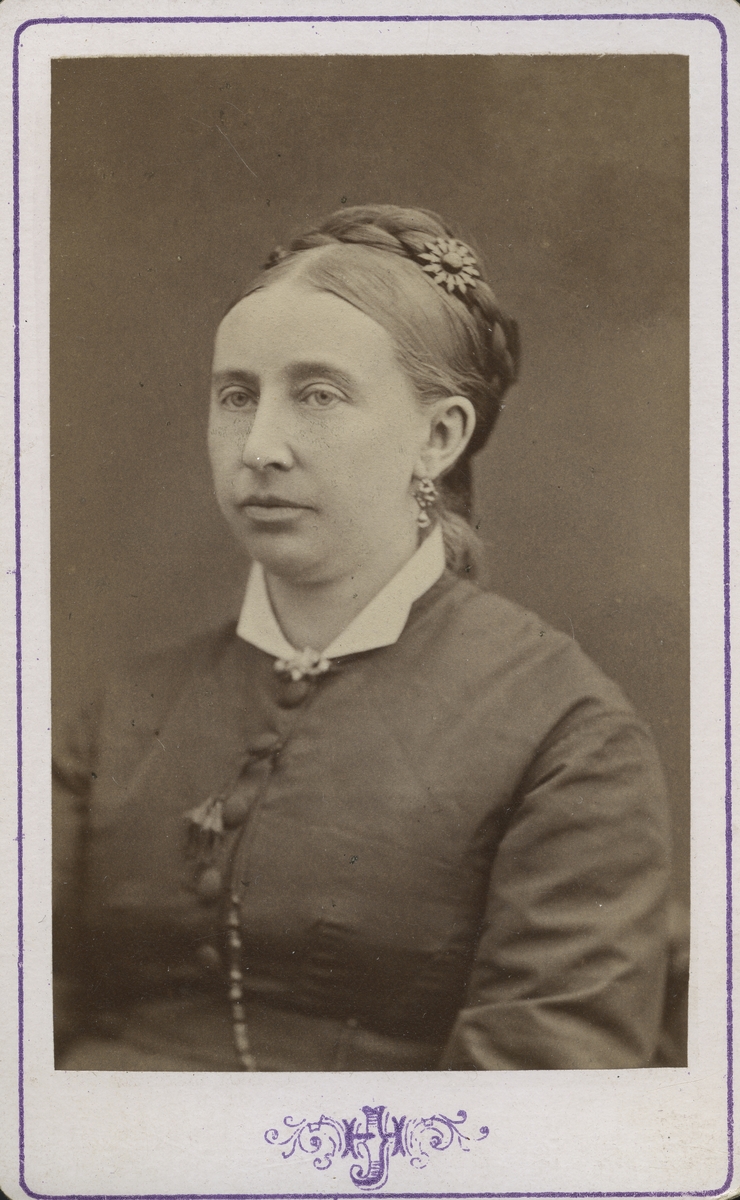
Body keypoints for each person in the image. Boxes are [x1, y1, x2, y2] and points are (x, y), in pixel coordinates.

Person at [53, 204, 674, 1072]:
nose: (260, 446)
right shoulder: (121, 715)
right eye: (237, 396)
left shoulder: (567, 735)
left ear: (439, 437)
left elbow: (538, 1097)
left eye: (318, 395)